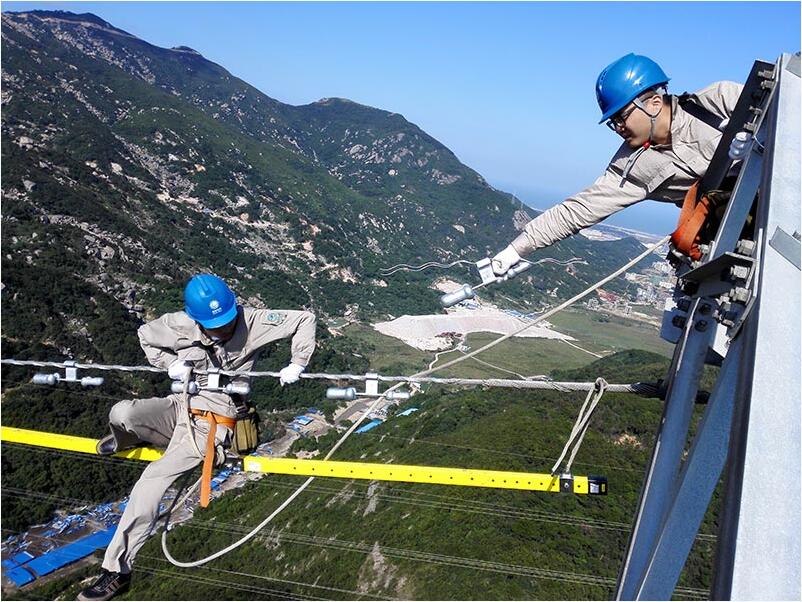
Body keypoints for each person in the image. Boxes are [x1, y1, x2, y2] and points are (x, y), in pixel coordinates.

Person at [78, 274, 317, 601]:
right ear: (195, 318)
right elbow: (145, 335)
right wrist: (169, 363)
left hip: (216, 416)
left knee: (152, 480)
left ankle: (117, 571)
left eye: (227, 321)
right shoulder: (178, 325)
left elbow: (304, 319)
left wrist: (298, 362)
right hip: (183, 402)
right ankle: (128, 437)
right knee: (123, 414)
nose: (223, 330)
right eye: (214, 325)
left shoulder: (253, 321)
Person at [491, 53, 744, 276]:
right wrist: (515, 250)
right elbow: (577, 210)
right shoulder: (632, 166)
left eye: (621, 117)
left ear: (654, 103)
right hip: (739, 231)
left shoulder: (719, 101)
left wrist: (760, 142)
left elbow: (782, 111)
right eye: (613, 122)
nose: (618, 128)